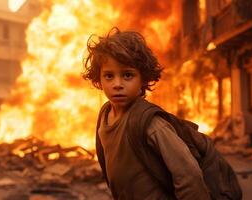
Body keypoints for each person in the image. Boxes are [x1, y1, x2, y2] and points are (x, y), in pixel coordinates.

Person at [82, 27, 211, 200]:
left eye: (127, 75)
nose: (117, 84)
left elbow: (189, 175)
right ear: (99, 79)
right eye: (109, 76)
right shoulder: (105, 115)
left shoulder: (150, 123)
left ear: (143, 78)